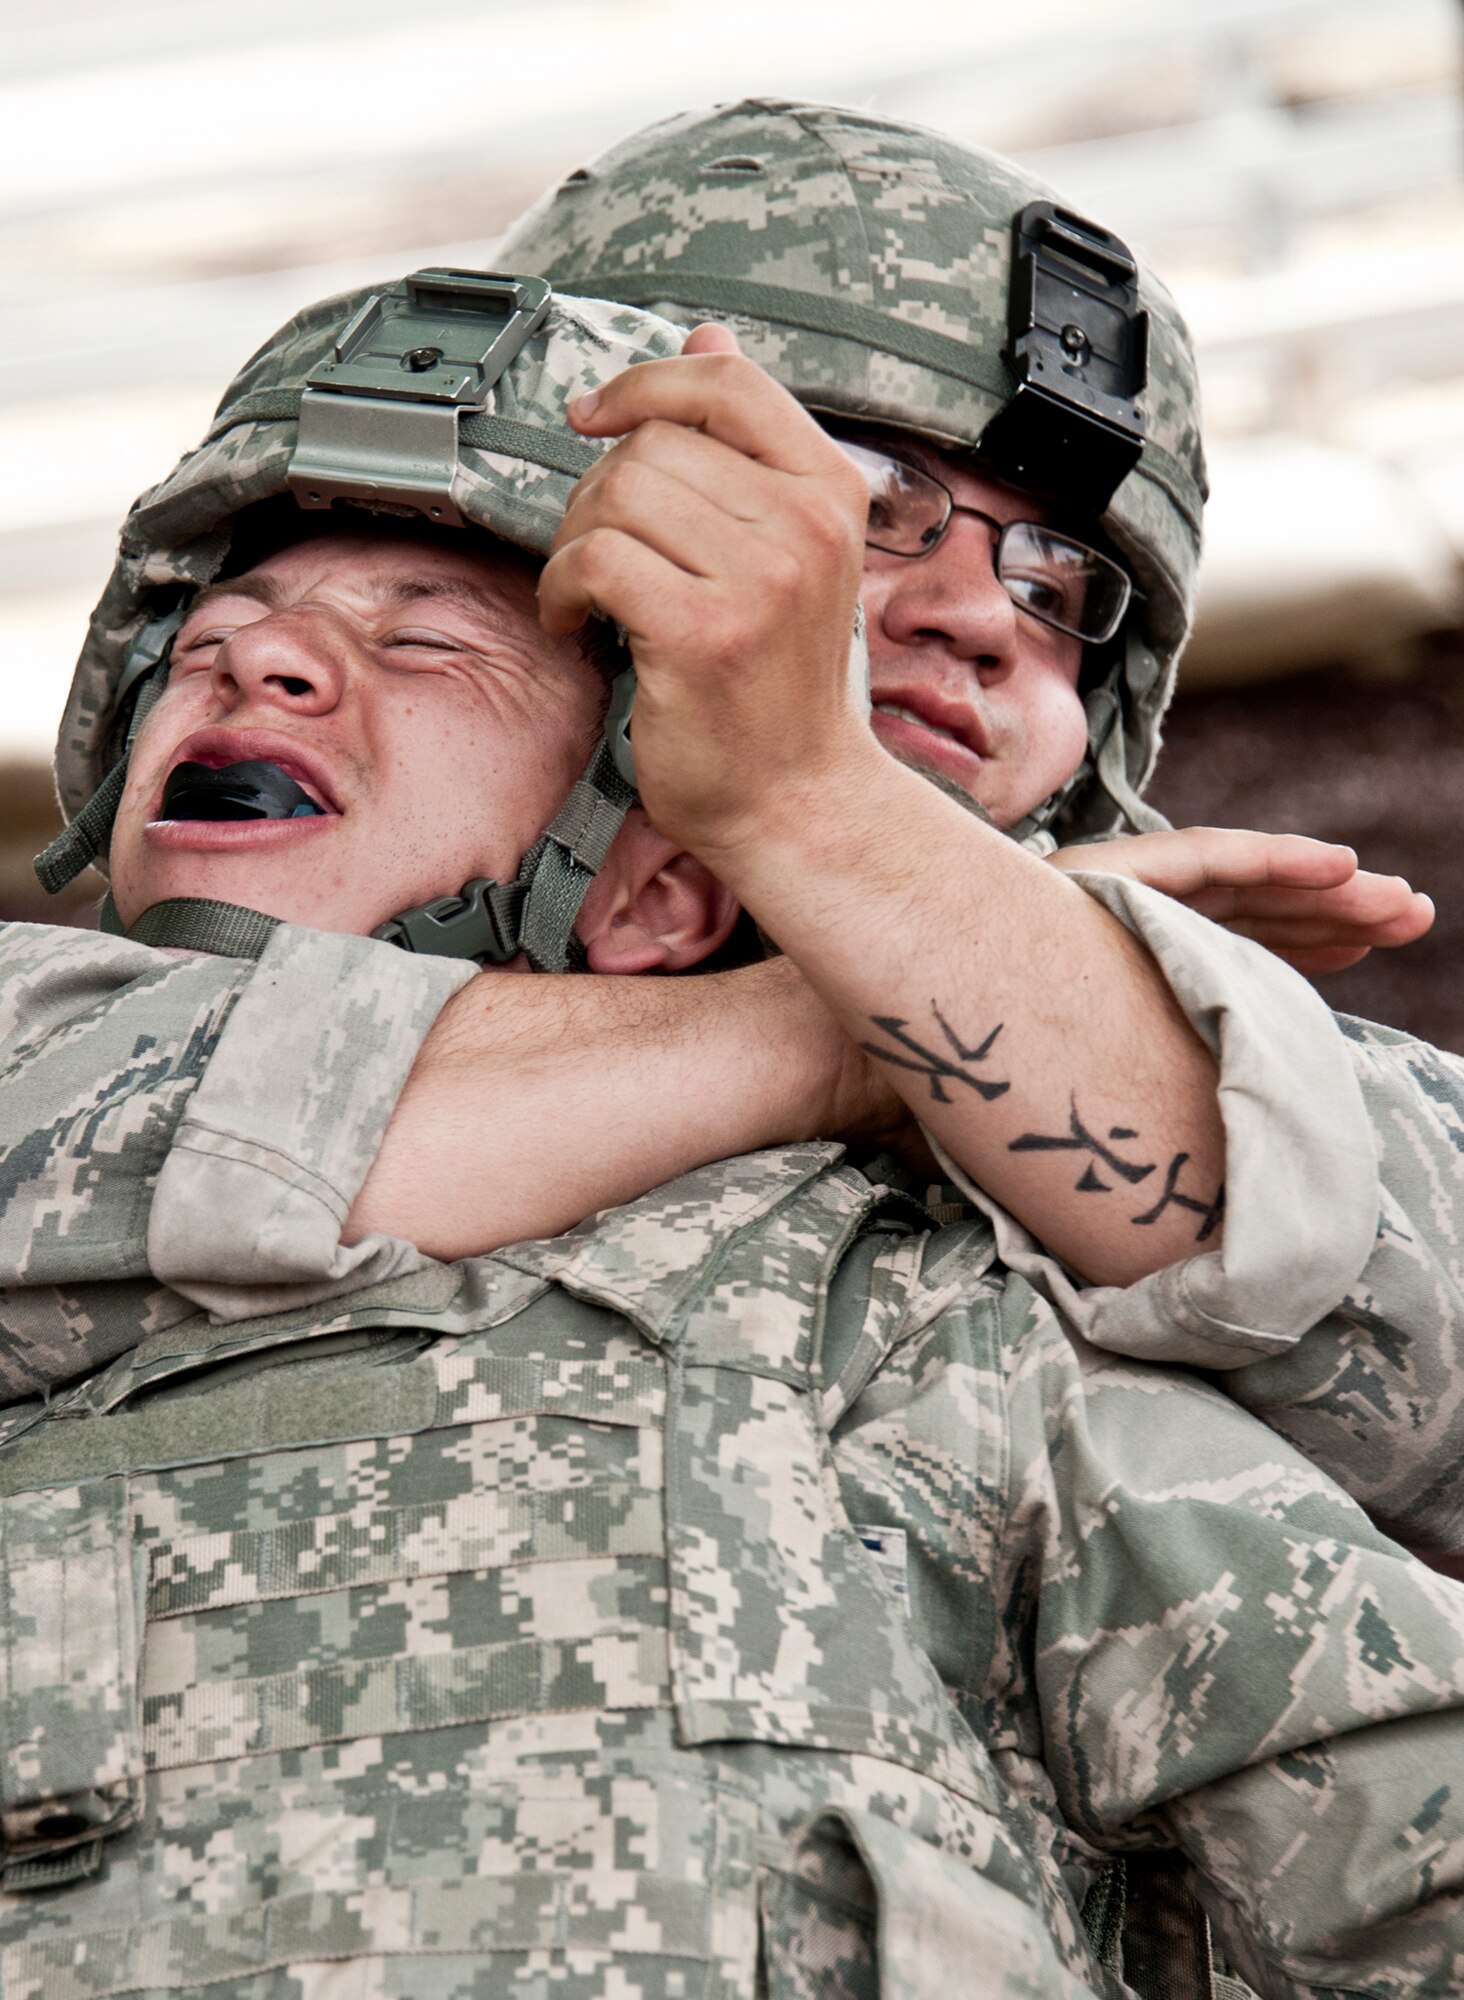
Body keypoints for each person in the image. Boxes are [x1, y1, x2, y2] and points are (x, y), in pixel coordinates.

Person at [3, 277, 1464, 2000]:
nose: (258, 658)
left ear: (655, 883)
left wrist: (912, 909)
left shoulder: (912, 1321)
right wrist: (890, 998)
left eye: (428, 643)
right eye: (852, 502)